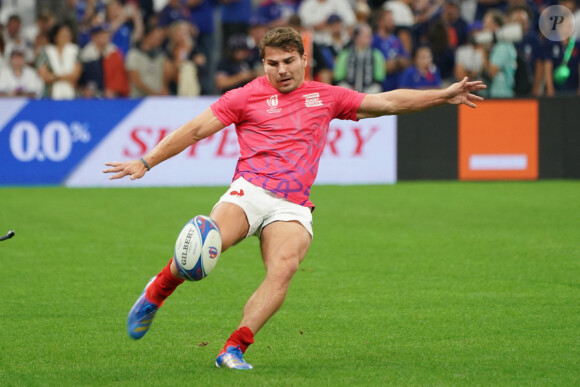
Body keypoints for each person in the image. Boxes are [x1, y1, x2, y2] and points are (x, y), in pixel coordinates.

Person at [103, 27, 485, 370]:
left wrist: (443, 95)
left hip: (292, 205)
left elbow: (386, 102)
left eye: (289, 61)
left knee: (284, 268)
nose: (282, 70)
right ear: (263, 63)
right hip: (248, 191)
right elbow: (196, 130)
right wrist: (146, 161)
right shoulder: (245, 96)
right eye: (273, 63)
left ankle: (233, 349)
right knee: (204, 244)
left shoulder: (326, 96)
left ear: (304, 59)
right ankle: (157, 292)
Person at [333, 23, 386, 93]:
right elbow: (338, 76)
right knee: (342, 86)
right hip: (349, 89)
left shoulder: (376, 54)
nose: (370, 39)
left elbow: (380, 77)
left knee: (376, 88)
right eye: (367, 36)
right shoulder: (345, 54)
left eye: (370, 36)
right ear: (357, 37)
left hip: (369, 90)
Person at [36, 23, 83, 99]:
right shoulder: (45, 52)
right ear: (55, 36)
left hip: (72, 93)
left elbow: (75, 75)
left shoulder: (76, 51)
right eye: (63, 34)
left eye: (68, 34)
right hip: (50, 94)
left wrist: (55, 77)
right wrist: (66, 77)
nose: (66, 37)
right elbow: (44, 76)